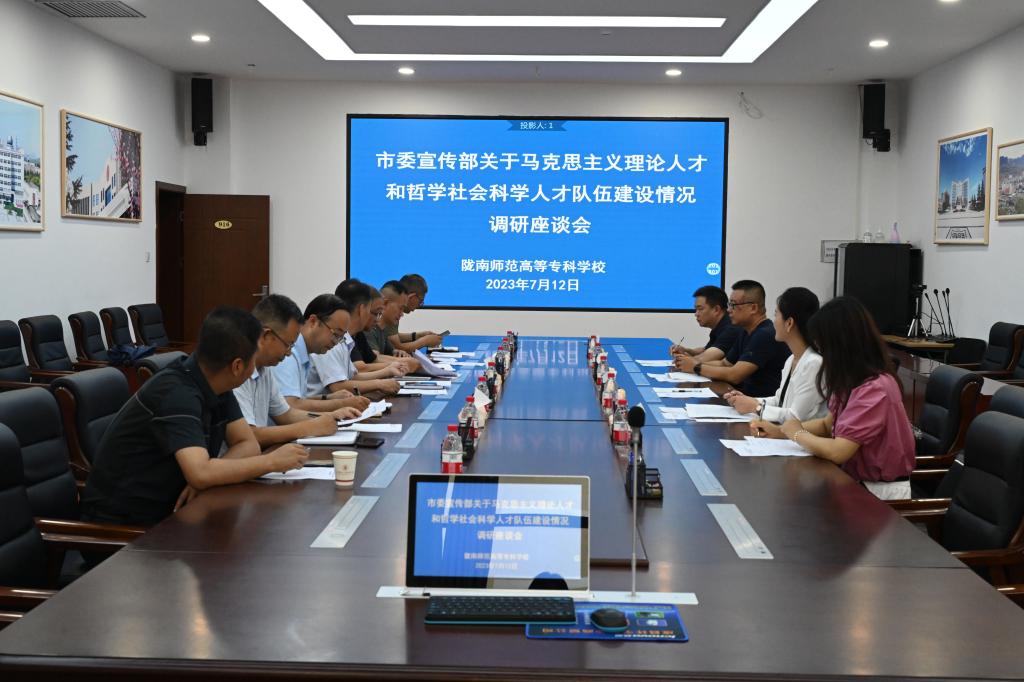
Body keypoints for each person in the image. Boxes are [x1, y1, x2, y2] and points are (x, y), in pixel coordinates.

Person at [80, 306, 310, 526]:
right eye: (254, 357)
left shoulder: (216, 382)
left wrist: (210, 477)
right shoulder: (177, 393)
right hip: (123, 527)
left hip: (175, 514)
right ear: (237, 366)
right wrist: (271, 462)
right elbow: (200, 472)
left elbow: (247, 444)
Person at [753, 296, 915, 500]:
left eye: (823, 346)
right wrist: (780, 431)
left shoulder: (875, 388)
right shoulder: (851, 380)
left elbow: (839, 451)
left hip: (878, 493)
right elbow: (826, 425)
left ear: (841, 345)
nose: (821, 353)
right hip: (852, 482)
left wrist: (797, 434)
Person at [235, 294, 362, 450]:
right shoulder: (238, 372)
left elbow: (286, 414)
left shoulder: (265, 368)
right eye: (287, 344)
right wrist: (310, 427)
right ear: (265, 336)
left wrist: (330, 417)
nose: (289, 352)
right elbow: (250, 435)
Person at [724, 287, 827, 423]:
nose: (774, 322)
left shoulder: (814, 363)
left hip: (800, 435)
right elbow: (779, 400)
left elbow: (795, 417)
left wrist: (756, 407)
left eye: (776, 315)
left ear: (789, 323)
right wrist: (747, 400)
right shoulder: (792, 359)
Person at [675, 280, 790, 397]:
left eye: (733, 305)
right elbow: (725, 363)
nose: (729, 310)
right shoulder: (746, 331)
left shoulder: (764, 334)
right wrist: (691, 363)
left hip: (762, 403)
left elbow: (735, 375)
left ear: (753, 308)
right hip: (745, 397)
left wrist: (696, 367)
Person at [271, 294, 372, 412]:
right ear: (313, 321)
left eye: (340, 337)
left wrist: (328, 398)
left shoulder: (306, 351)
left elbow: (299, 399)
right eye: (335, 334)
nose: (336, 342)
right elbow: (291, 406)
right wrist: (339, 404)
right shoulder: (289, 353)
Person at [310, 280, 403, 396]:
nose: (377, 319)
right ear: (362, 309)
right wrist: (379, 384)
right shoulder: (330, 339)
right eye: (373, 312)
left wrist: (387, 372)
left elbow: (353, 376)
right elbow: (338, 386)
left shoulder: (346, 338)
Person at [670, 285, 741, 363]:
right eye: (696, 309)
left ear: (716, 309)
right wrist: (686, 350)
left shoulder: (731, 328)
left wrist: (683, 359)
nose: (696, 314)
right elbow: (706, 350)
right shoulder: (720, 325)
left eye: (700, 309)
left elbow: (704, 359)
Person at [387, 273, 444, 353]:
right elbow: (398, 347)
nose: (420, 305)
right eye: (420, 301)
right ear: (412, 296)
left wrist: (417, 336)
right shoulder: (391, 313)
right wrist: (425, 341)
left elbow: (392, 337)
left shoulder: (394, 310)